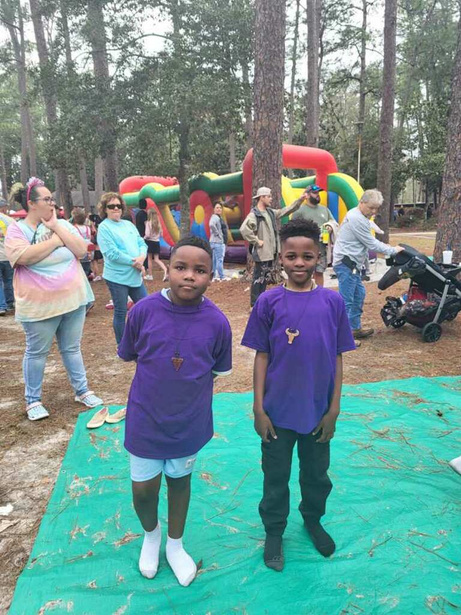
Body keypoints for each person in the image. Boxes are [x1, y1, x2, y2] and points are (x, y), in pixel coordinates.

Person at [241, 219, 355, 571]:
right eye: (292, 256)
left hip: (317, 411)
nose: (300, 263)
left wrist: (334, 409)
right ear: (280, 259)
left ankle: (313, 520)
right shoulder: (268, 302)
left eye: (307, 256)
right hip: (277, 412)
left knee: (316, 474)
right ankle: (274, 532)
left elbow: (336, 356)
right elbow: (261, 355)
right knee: (275, 475)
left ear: (319, 257)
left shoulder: (333, 303)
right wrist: (259, 408)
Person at [118, 235, 232, 586]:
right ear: (168, 270)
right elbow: (133, 355)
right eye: (181, 267)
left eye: (200, 270)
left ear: (211, 275)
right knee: (144, 491)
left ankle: (175, 545)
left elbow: (214, 371)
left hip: (188, 424)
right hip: (145, 421)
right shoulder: (142, 312)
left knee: (179, 483)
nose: (189, 276)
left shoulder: (217, 323)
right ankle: (151, 536)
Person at [5, 178, 103, 421]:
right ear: (32, 203)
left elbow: (81, 250)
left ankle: (82, 391)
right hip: (40, 305)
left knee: (71, 348)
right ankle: (33, 400)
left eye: (52, 198)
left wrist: (57, 229)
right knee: (37, 352)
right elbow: (23, 257)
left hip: (73, 299)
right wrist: (57, 242)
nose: (52, 203)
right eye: (47, 199)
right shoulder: (18, 229)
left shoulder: (62, 224)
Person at [333, 189, 404, 342]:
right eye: (371, 207)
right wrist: (393, 250)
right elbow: (371, 243)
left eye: (376, 208)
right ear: (362, 202)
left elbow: (367, 225)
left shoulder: (360, 215)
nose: (373, 211)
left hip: (353, 264)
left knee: (359, 295)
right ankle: (342, 337)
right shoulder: (355, 218)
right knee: (347, 301)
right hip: (346, 264)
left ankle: (354, 328)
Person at [240, 186, 310, 307]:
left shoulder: (270, 213)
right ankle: (254, 305)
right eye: (269, 196)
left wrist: (300, 200)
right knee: (258, 279)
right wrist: (256, 241)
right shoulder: (254, 215)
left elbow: (286, 210)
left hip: (269, 253)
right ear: (262, 198)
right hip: (262, 253)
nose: (271, 199)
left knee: (264, 279)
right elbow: (244, 230)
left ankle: (260, 303)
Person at [97, 192, 148, 345]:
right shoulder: (104, 228)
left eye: (118, 206)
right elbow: (112, 254)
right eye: (111, 206)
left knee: (145, 307)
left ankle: (144, 339)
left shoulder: (128, 225)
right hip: (117, 277)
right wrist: (136, 263)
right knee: (121, 312)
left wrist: (142, 257)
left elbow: (141, 243)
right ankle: (122, 346)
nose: (115, 209)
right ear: (105, 209)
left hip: (134, 275)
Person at [292, 185, 335, 286]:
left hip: (321, 248)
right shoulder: (300, 211)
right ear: (306, 195)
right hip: (305, 249)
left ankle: (319, 294)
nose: (317, 195)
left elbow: (333, 222)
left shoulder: (325, 210)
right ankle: (305, 293)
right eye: (314, 193)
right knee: (306, 274)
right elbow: (292, 228)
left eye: (318, 193)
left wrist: (330, 226)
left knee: (319, 272)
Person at [143, 207, 168, 282]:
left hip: (149, 242)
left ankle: (150, 275)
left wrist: (144, 238)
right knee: (157, 259)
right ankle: (165, 269)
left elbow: (147, 234)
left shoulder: (148, 223)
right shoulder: (158, 223)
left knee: (149, 259)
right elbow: (161, 234)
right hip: (157, 242)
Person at [0, 197, 14, 315]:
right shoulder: (10, 221)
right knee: (9, 280)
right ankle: (10, 303)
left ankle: (1, 305)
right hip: (8, 255)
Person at [209, 202, 228, 282]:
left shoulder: (217, 217)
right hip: (217, 242)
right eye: (217, 207)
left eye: (220, 207)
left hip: (213, 242)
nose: (219, 209)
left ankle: (212, 276)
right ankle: (222, 276)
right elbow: (211, 225)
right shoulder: (215, 218)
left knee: (214, 260)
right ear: (214, 209)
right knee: (220, 260)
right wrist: (218, 234)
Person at [88, 213, 103, 281]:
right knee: (94, 260)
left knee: (93, 260)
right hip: (96, 245)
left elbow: (94, 232)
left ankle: (97, 274)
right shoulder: (98, 225)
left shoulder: (90, 225)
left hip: (92, 244)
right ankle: (95, 273)